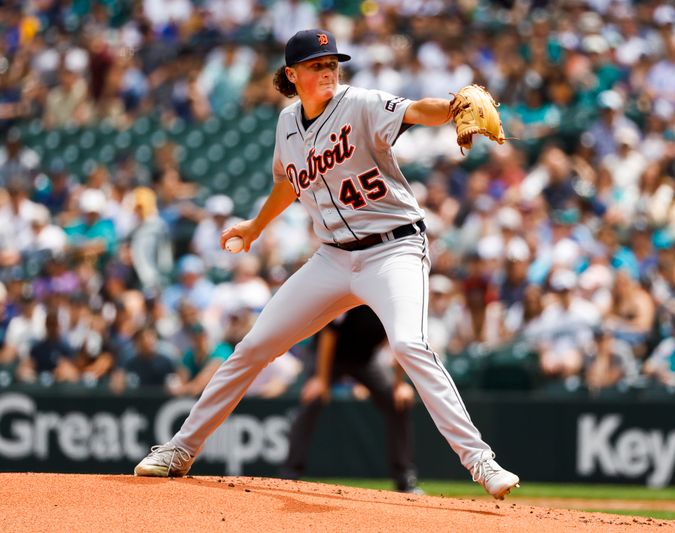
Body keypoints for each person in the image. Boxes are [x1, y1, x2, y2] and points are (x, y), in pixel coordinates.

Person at [134, 29, 520, 499]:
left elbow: (417, 110)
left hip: (393, 249)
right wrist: (256, 226)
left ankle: (481, 461)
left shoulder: (359, 102)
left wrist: (453, 107)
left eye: (332, 62)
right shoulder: (286, 124)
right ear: (292, 75)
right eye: (317, 65)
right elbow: (288, 183)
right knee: (253, 346)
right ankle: (180, 448)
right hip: (333, 256)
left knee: (408, 344)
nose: (328, 70)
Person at [281, 305, 421, 494]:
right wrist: (321, 380)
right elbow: (329, 335)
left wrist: (399, 384)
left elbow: (402, 345)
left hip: (364, 361)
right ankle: (289, 475)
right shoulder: (356, 300)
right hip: (329, 358)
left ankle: (405, 480)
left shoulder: (395, 305)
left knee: (398, 403)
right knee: (312, 400)